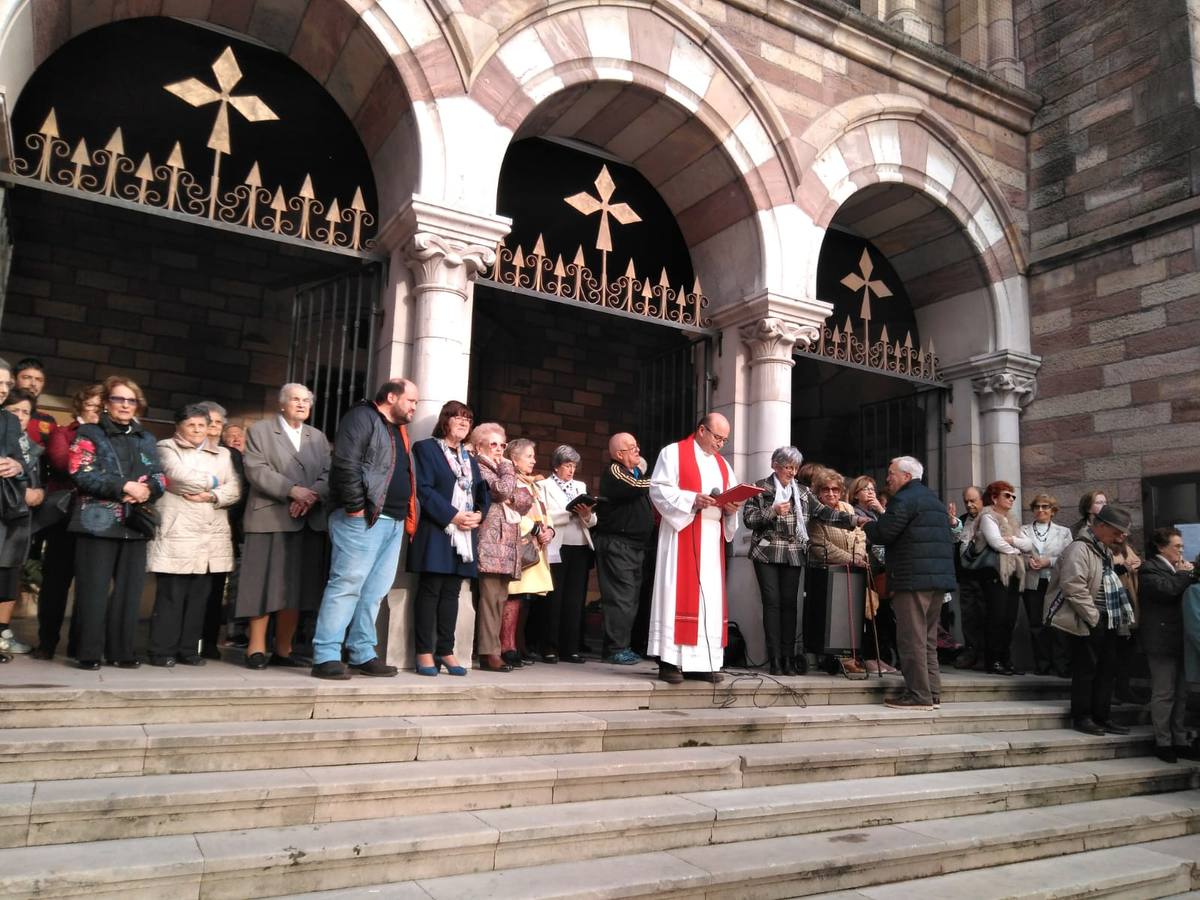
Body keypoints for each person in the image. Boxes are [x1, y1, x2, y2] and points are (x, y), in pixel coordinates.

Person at [310, 379, 418, 680]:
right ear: (391, 396)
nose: (414, 407)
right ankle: (326, 655)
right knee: (346, 585)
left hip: (393, 522)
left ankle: (362, 652)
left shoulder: (398, 429)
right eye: (411, 401)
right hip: (363, 519)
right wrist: (356, 507)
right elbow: (346, 463)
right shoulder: (362, 417)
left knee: (374, 592)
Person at [67, 376, 166, 670]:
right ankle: (87, 652)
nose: (125, 405)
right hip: (96, 521)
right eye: (118, 399)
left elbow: (159, 474)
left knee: (130, 591)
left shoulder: (145, 437)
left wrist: (149, 489)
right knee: (93, 589)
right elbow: (81, 472)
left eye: (131, 400)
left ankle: (121, 651)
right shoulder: (89, 432)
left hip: (135, 524)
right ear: (107, 404)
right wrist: (125, 486)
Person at [236, 384, 331, 669]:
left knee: (295, 586)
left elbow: (329, 472)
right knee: (262, 584)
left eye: (306, 401)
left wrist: (311, 495)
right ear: (282, 404)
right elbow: (256, 469)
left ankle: (284, 649)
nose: (301, 404)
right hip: (270, 517)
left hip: (306, 517)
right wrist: (292, 491)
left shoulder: (318, 437)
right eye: (295, 399)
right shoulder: (260, 431)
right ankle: (255, 648)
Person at [743, 447, 858, 676]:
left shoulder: (803, 493)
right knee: (772, 603)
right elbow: (749, 519)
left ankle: (787, 658)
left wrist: (853, 518)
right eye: (788, 467)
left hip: (794, 552)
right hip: (767, 552)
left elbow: (824, 513)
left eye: (795, 468)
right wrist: (773, 511)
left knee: (789, 605)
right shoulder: (759, 488)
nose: (792, 472)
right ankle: (775, 659)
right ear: (775, 465)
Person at [647, 413, 744, 684]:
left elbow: (731, 495)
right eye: (717, 437)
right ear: (701, 430)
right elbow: (659, 490)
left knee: (709, 601)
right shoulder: (673, 453)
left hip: (711, 540)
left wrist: (730, 507)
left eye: (725, 440)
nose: (721, 444)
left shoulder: (723, 465)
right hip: (682, 534)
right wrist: (693, 499)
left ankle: (703, 662)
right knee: (676, 594)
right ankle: (670, 662)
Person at [145, 404, 239, 667]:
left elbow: (235, 490)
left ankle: (188, 650)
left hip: (210, 535)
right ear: (179, 426)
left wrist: (212, 494)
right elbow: (177, 477)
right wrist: (217, 482)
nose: (198, 430)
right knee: (171, 596)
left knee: (199, 597)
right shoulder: (166, 447)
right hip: (179, 531)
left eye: (202, 425)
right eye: (191, 425)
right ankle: (161, 651)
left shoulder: (222, 454)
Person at [863, 456, 957, 710]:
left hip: (913, 579)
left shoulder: (905, 499)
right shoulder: (933, 501)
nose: (887, 478)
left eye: (891, 473)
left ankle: (918, 696)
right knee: (927, 640)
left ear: (906, 476)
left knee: (911, 639)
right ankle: (932, 692)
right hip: (938, 580)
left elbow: (885, 532)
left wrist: (868, 525)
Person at [408, 401, 488, 676]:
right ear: (445, 421)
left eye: (468, 418)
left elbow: (482, 493)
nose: (464, 422)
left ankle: (446, 650)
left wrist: (478, 514)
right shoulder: (426, 448)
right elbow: (425, 490)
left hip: (465, 534)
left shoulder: (470, 459)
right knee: (430, 591)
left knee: (452, 592)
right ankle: (424, 651)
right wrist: (453, 516)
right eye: (458, 417)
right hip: (437, 530)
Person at [1044, 504, 1136, 737]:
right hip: (1088, 618)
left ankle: (1102, 716)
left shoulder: (1102, 549)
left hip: (1108, 617)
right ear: (1101, 526)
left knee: (1107, 669)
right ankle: (1082, 716)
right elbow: (1073, 586)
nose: (1121, 537)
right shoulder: (1079, 548)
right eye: (1117, 532)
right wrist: (1094, 617)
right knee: (1087, 670)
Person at [33, 384, 103, 659]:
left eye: (102, 406)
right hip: (66, 517)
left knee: (90, 584)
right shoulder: (64, 432)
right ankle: (47, 642)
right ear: (81, 406)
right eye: (93, 405)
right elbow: (63, 464)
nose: (98, 410)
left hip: (98, 518)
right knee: (55, 583)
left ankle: (79, 645)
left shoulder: (113, 437)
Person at [1139, 527, 1199, 762]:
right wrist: (1184, 575)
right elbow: (1167, 590)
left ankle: (1180, 739)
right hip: (1161, 641)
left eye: (1182, 546)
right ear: (1161, 547)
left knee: (1181, 693)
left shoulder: (1180, 569)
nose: (1181, 551)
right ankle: (1162, 741)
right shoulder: (1149, 568)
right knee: (1164, 693)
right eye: (1177, 546)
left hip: (1181, 640)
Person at [594, 432, 654, 665]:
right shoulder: (616, 471)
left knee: (630, 598)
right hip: (618, 545)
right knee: (620, 598)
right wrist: (662, 479)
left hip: (635, 546)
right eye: (632, 448)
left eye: (637, 446)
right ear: (619, 454)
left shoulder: (635, 472)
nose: (638, 450)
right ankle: (615, 648)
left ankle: (623, 645)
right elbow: (637, 486)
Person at [472, 422, 527, 672]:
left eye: (501, 444)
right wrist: (508, 472)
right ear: (479, 445)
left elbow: (526, 501)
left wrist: (511, 491)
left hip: (507, 543)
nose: (498, 449)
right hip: (490, 541)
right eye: (493, 444)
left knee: (500, 598)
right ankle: (488, 652)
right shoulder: (480, 466)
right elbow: (503, 491)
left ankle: (493, 649)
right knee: (490, 598)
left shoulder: (500, 469)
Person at [537, 445, 596, 664]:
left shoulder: (580, 485)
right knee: (555, 598)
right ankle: (549, 646)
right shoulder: (544, 485)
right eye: (566, 465)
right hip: (557, 544)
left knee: (575, 599)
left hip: (580, 544)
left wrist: (587, 514)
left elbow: (592, 521)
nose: (571, 470)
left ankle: (570, 648)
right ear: (556, 466)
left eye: (573, 466)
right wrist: (567, 513)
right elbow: (543, 514)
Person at [196, 400, 246, 660]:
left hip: (223, 526)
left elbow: (238, 492)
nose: (213, 427)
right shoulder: (187, 450)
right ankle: (185, 641)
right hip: (190, 527)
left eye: (217, 423)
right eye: (209, 422)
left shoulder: (232, 456)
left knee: (216, 589)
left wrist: (214, 500)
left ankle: (209, 642)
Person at [973, 480, 1033, 675]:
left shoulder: (1012, 519)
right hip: (995, 573)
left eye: (1013, 496)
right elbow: (996, 542)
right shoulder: (988, 516)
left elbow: (1029, 545)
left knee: (1010, 618)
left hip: (1014, 573)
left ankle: (1006, 659)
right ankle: (993, 661)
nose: (1011, 499)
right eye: (1007, 495)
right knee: (996, 617)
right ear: (994, 497)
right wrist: (1017, 548)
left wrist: (1014, 541)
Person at [504, 438, 554, 666]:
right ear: (514, 459)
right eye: (529, 456)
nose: (534, 461)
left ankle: (520, 645)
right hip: (520, 546)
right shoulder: (511, 481)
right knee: (513, 597)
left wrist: (550, 531)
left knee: (527, 599)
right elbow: (511, 512)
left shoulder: (534, 484)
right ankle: (507, 647)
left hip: (537, 546)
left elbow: (546, 512)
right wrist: (534, 530)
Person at [0, 389, 42, 657]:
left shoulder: (31, 447)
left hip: (19, 523)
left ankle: (3, 631)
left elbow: (38, 483)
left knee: (8, 579)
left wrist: (38, 493)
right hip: (4, 518)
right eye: (15, 411)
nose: (20, 416)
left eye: (26, 412)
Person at [1017, 493, 1073, 676]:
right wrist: (1027, 563)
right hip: (1032, 582)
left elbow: (1070, 558)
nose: (1041, 510)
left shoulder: (1064, 532)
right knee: (1036, 624)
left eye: (1045, 507)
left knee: (1056, 623)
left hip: (1054, 582)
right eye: (1037, 507)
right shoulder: (1023, 530)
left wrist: (1048, 561)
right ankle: (1042, 664)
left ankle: (1061, 665)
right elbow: (1015, 554)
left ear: (1053, 511)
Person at [952, 486, 986, 670]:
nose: (969, 504)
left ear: (983, 500)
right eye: (966, 501)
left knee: (984, 615)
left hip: (985, 577)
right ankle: (971, 651)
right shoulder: (962, 521)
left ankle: (984, 655)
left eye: (973, 500)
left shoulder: (990, 518)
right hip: (966, 576)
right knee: (968, 616)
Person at [12, 358, 57, 447]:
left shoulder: (47, 421)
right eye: (27, 377)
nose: (33, 383)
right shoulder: (3, 411)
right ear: (14, 380)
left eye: (38, 379)